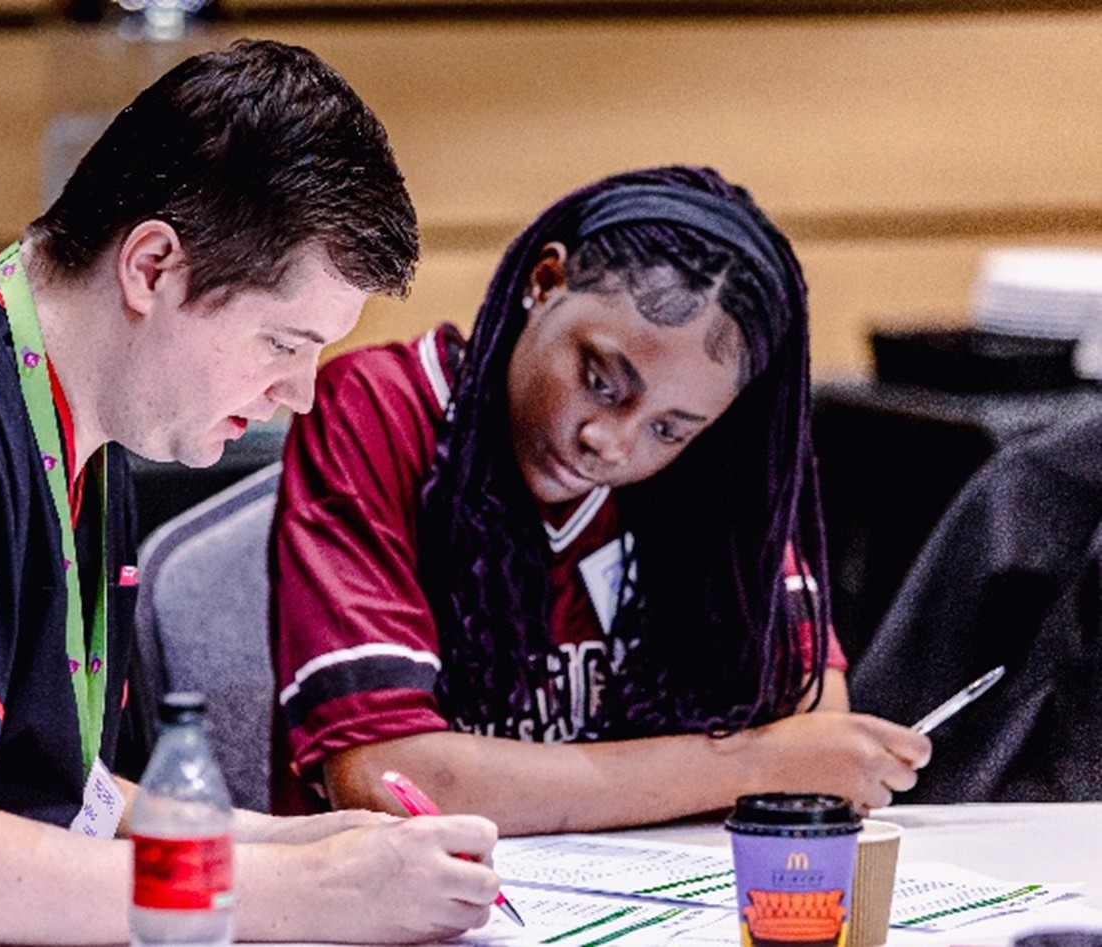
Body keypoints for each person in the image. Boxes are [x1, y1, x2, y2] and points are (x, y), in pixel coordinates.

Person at [0, 40, 499, 946]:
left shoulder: (76, 418)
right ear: (151, 266)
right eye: (282, 343)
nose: (300, 394)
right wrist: (308, 890)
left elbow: (56, 797)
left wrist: (299, 844)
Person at [270, 165, 933, 835]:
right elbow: (387, 778)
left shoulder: (708, 473)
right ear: (545, 282)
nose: (610, 444)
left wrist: (778, 760)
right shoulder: (378, 407)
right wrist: (751, 763)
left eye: (668, 429)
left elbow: (814, 728)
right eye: (601, 382)